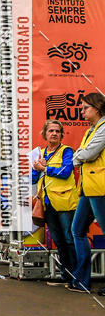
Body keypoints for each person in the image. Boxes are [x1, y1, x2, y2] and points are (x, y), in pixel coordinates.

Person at [32, 121, 78, 286]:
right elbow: (33, 178)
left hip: (65, 203)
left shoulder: (67, 151)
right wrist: (36, 169)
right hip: (48, 203)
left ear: (61, 134)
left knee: (69, 239)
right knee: (58, 241)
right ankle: (66, 275)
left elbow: (66, 172)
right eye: (51, 131)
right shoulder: (40, 153)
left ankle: (76, 277)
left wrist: (45, 168)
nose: (54, 134)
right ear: (45, 133)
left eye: (57, 131)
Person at [69, 92, 105, 294]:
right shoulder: (91, 130)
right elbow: (83, 153)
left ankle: (82, 279)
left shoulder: (103, 128)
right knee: (77, 230)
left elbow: (88, 153)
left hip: (100, 187)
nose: (81, 111)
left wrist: (77, 158)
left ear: (97, 107)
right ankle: (82, 280)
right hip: (88, 188)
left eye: (85, 108)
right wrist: (79, 157)